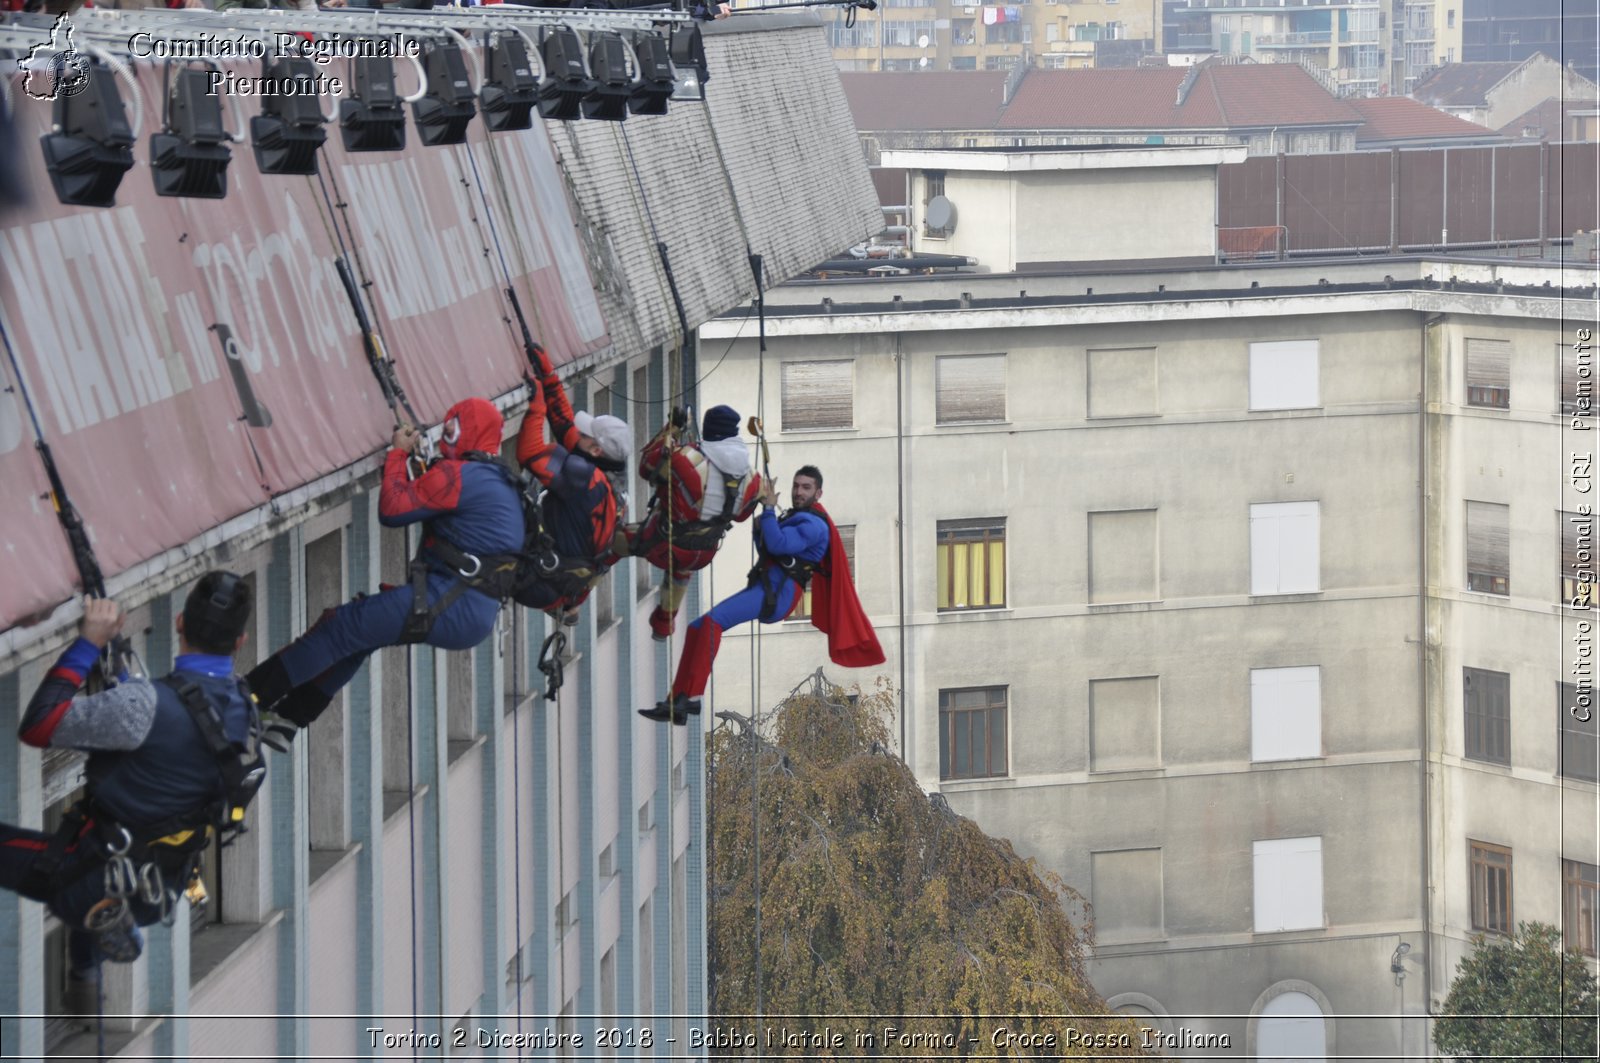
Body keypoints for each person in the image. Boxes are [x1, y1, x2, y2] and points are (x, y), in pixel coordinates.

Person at [0, 573, 260, 996]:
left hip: (85, 879)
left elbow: (39, 726)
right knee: (105, 869)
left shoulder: (141, 705)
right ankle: (86, 972)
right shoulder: (242, 712)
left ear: (178, 622)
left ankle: (92, 952)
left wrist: (88, 642)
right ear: (241, 641)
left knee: (84, 878)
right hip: (160, 888)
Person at [247, 398, 524, 739]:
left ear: (467, 431)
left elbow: (393, 509)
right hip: (467, 606)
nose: (444, 436)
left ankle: (247, 699)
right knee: (360, 635)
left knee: (341, 627)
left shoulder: (461, 475)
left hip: (453, 600)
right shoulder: (494, 478)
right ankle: (287, 720)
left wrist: (396, 455)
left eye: (450, 427)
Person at [640, 465, 884, 724]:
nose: (798, 492)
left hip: (778, 594)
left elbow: (779, 544)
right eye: (796, 486)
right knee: (697, 627)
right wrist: (761, 525)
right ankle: (677, 699)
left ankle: (691, 699)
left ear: (818, 493)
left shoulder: (813, 525)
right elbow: (769, 549)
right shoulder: (795, 517)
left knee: (712, 623)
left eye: (806, 487)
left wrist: (768, 509)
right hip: (766, 587)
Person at [514, 344, 631, 622]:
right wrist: (549, 378)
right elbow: (564, 424)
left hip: (537, 579)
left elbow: (529, 454)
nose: (577, 432)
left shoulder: (585, 477)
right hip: (563, 584)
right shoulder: (614, 482)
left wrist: (536, 407)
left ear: (595, 451)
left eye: (586, 434)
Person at [627, 404, 763, 641]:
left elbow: (647, 467)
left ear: (708, 430)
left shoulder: (684, 459)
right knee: (681, 568)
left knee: (613, 540)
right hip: (704, 551)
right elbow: (741, 516)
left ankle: (573, 601)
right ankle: (664, 623)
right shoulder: (751, 477)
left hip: (664, 543)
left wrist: (672, 429)